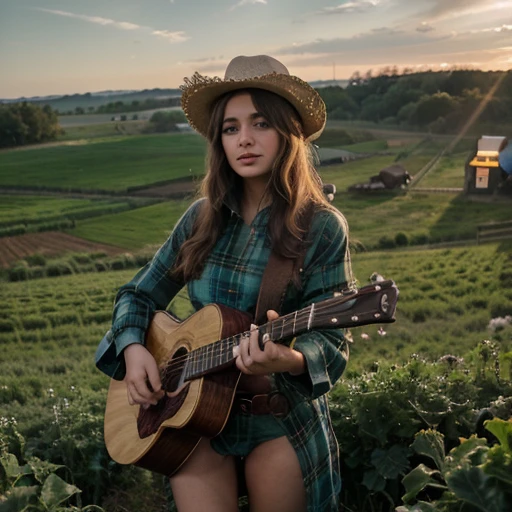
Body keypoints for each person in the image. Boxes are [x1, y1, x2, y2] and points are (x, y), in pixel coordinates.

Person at [96, 54, 355, 512]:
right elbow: (137, 294)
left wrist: (290, 358)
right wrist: (134, 349)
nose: (245, 140)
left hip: (278, 418)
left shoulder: (320, 228)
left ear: (288, 133)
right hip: (194, 420)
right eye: (231, 128)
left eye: (260, 124)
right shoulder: (201, 219)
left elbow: (331, 338)